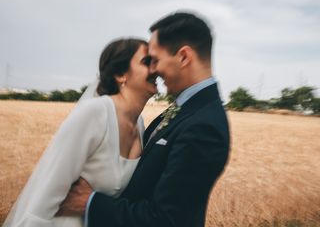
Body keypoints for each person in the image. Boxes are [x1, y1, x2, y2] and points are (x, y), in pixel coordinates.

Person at [58, 12, 230, 227]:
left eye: (155, 60)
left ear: (184, 57)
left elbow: (168, 220)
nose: (154, 70)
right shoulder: (186, 110)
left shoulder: (204, 126)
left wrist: (90, 202)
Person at [3, 38, 157, 227]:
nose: (155, 69)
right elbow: (46, 194)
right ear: (120, 74)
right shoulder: (95, 113)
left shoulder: (139, 124)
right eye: (146, 62)